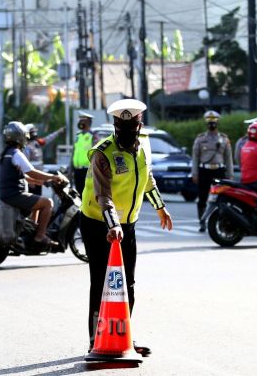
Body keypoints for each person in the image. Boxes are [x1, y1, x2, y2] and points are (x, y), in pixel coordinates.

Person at [80, 99, 173, 356]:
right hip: (98, 223)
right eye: (121, 129)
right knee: (100, 282)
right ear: (115, 126)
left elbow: (147, 178)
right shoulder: (103, 153)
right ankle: (94, 340)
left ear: (138, 125)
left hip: (127, 226)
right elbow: (103, 196)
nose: (126, 135)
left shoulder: (142, 146)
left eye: (130, 130)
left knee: (127, 284)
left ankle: (123, 339)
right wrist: (113, 224)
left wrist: (160, 207)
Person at [0, 121, 67, 250]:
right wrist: (53, 177)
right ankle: (40, 236)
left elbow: (22, 176)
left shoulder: (6, 153)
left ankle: (31, 230)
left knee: (36, 201)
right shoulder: (17, 154)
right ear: (20, 137)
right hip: (14, 195)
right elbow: (32, 172)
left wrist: (41, 182)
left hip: (6, 194)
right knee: (47, 203)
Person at [191, 110, 234, 232]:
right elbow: (195, 157)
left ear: (217, 123)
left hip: (219, 171)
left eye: (214, 122)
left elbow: (228, 158)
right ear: (206, 124)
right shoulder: (200, 139)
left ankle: (221, 219)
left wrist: (230, 175)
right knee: (202, 198)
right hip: (204, 171)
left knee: (223, 197)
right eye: (210, 123)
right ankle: (202, 222)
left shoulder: (224, 139)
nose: (212, 125)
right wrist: (195, 173)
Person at [23, 124, 65, 195]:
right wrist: (29, 181)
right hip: (32, 177)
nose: (34, 133)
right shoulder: (26, 147)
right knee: (33, 199)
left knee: (38, 197)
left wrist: (58, 132)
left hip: (39, 176)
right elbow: (24, 166)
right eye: (32, 132)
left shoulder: (37, 143)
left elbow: (48, 139)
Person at [70, 112, 97, 196]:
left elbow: (96, 154)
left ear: (88, 122)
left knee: (87, 194)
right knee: (79, 193)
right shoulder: (78, 136)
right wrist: (71, 167)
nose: (80, 123)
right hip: (77, 170)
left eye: (82, 121)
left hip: (87, 170)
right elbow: (74, 152)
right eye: (80, 121)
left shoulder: (93, 136)